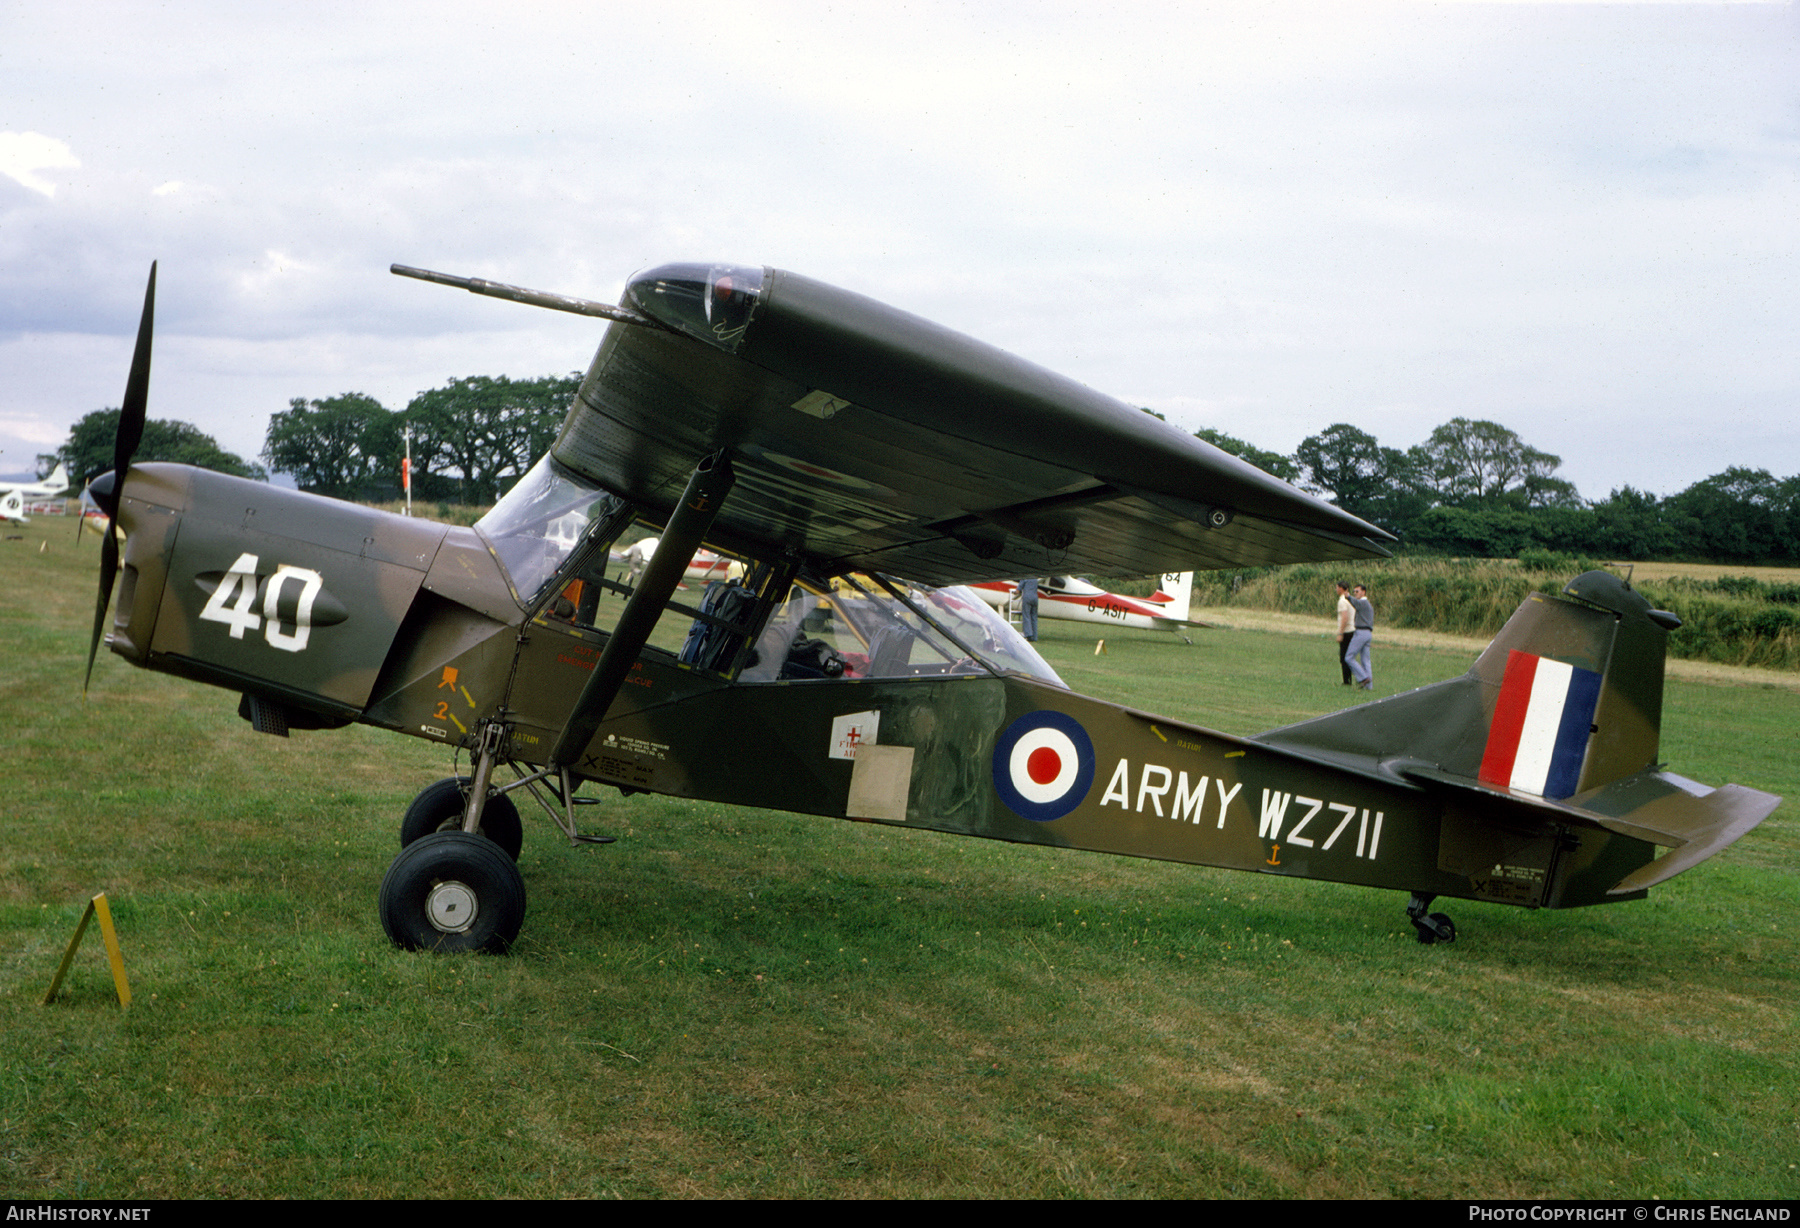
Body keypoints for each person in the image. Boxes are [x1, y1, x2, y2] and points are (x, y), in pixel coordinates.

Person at [1346, 583, 1375, 690]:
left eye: (1357, 591)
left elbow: (1355, 603)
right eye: (1354, 592)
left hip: (1361, 632)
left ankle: (1363, 678)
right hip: (1367, 633)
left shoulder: (1363, 603)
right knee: (1365, 660)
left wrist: (1348, 596)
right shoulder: (1368, 605)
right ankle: (1369, 687)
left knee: (1349, 657)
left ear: (1364, 592)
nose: (1355, 594)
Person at [1333, 581, 1353, 685]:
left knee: (1344, 657)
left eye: (1337, 587)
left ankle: (1347, 681)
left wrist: (1340, 633)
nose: (1336, 589)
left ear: (1341, 588)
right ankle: (1348, 679)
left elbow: (1344, 618)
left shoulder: (1342, 601)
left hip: (1346, 632)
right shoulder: (1350, 600)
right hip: (1352, 631)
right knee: (1348, 656)